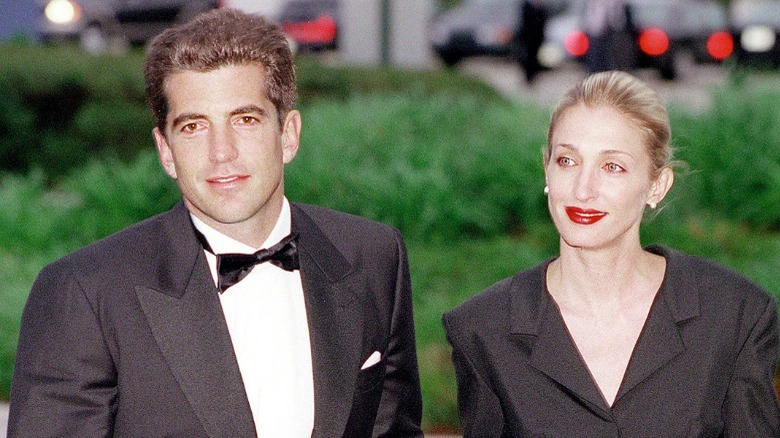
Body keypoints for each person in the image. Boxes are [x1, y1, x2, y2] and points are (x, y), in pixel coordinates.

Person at [9, 9, 423, 437]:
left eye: (245, 119)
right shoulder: (85, 293)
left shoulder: (373, 256)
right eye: (193, 127)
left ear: (289, 134)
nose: (221, 152)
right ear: (165, 149)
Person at [442, 71, 780, 436]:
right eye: (567, 161)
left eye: (612, 167)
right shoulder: (483, 329)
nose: (583, 189)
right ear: (546, 169)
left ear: (657, 185)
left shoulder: (735, 316)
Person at [583, 0, 636, 73]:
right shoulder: (594, 3)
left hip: (614, 33)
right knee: (597, 60)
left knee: (614, 60)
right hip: (597, 34)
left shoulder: (618, 3)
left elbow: (620, 18)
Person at [514, 0, 548, 84]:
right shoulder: (526, 5)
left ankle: (532, 76)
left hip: (537, 37)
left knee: (535, 56)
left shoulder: (541, 7)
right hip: (527, 37)